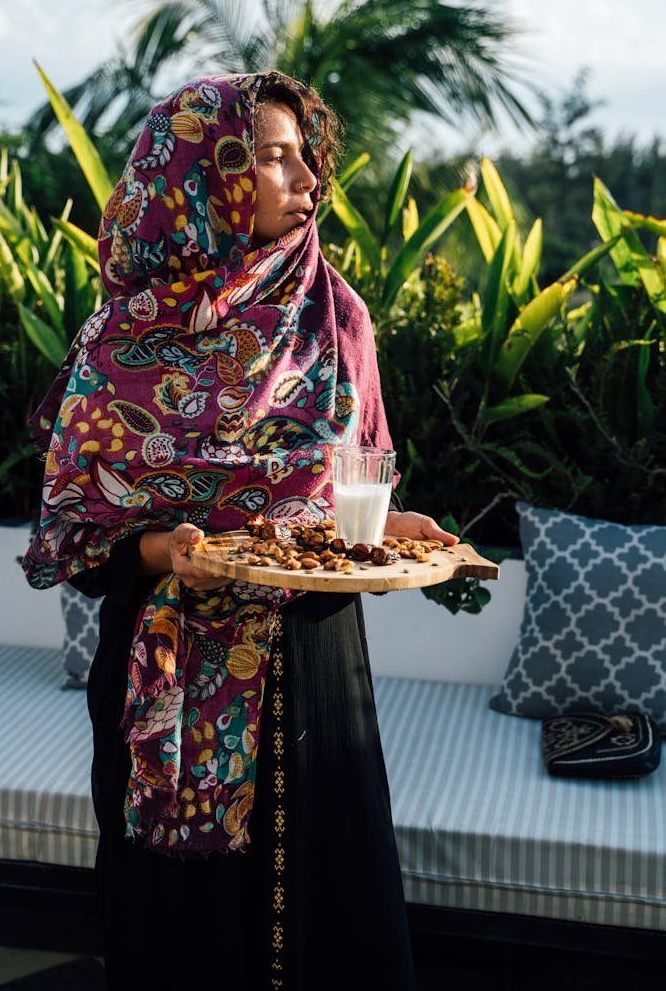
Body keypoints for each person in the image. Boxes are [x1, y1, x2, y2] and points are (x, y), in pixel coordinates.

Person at [23, 70, 458, 990]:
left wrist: (394, 527)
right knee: (175, 928)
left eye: (308, 157)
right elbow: (82, 538)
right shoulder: (120, 341)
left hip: (310, 662)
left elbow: (351, 491)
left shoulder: (335, 319)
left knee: (319, 916)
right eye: (271, 157)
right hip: (164, 663)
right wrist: (164, 551)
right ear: (197, 178)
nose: (307, 179)